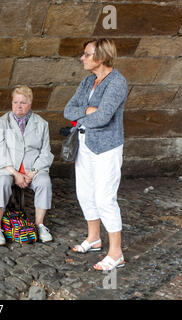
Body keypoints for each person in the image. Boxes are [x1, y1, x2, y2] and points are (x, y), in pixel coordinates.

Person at [64, 38, 128, 271]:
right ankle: (94, 238)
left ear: (101, 57)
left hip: (107, 148)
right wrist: (88, 111)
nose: (83, 58)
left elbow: (103, 118)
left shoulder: (117, 82)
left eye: (87, 54)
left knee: (104, 198)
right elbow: (67, 110)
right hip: (84, 144)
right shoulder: (87, 81)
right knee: (85, 193)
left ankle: (116, 252)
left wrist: (84, 116)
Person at [0, 85, 54, 246]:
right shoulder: (2, 122)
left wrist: (32, 173)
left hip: (33, 169)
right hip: (8, 168)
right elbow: (0, 151)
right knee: (3, 183)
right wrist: (15, 173)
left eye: (23, 102)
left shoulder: (42, 124)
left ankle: (39, 225)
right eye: (15, 102)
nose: (18, 106)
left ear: (30, 104)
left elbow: (45, 153)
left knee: (44, 183)